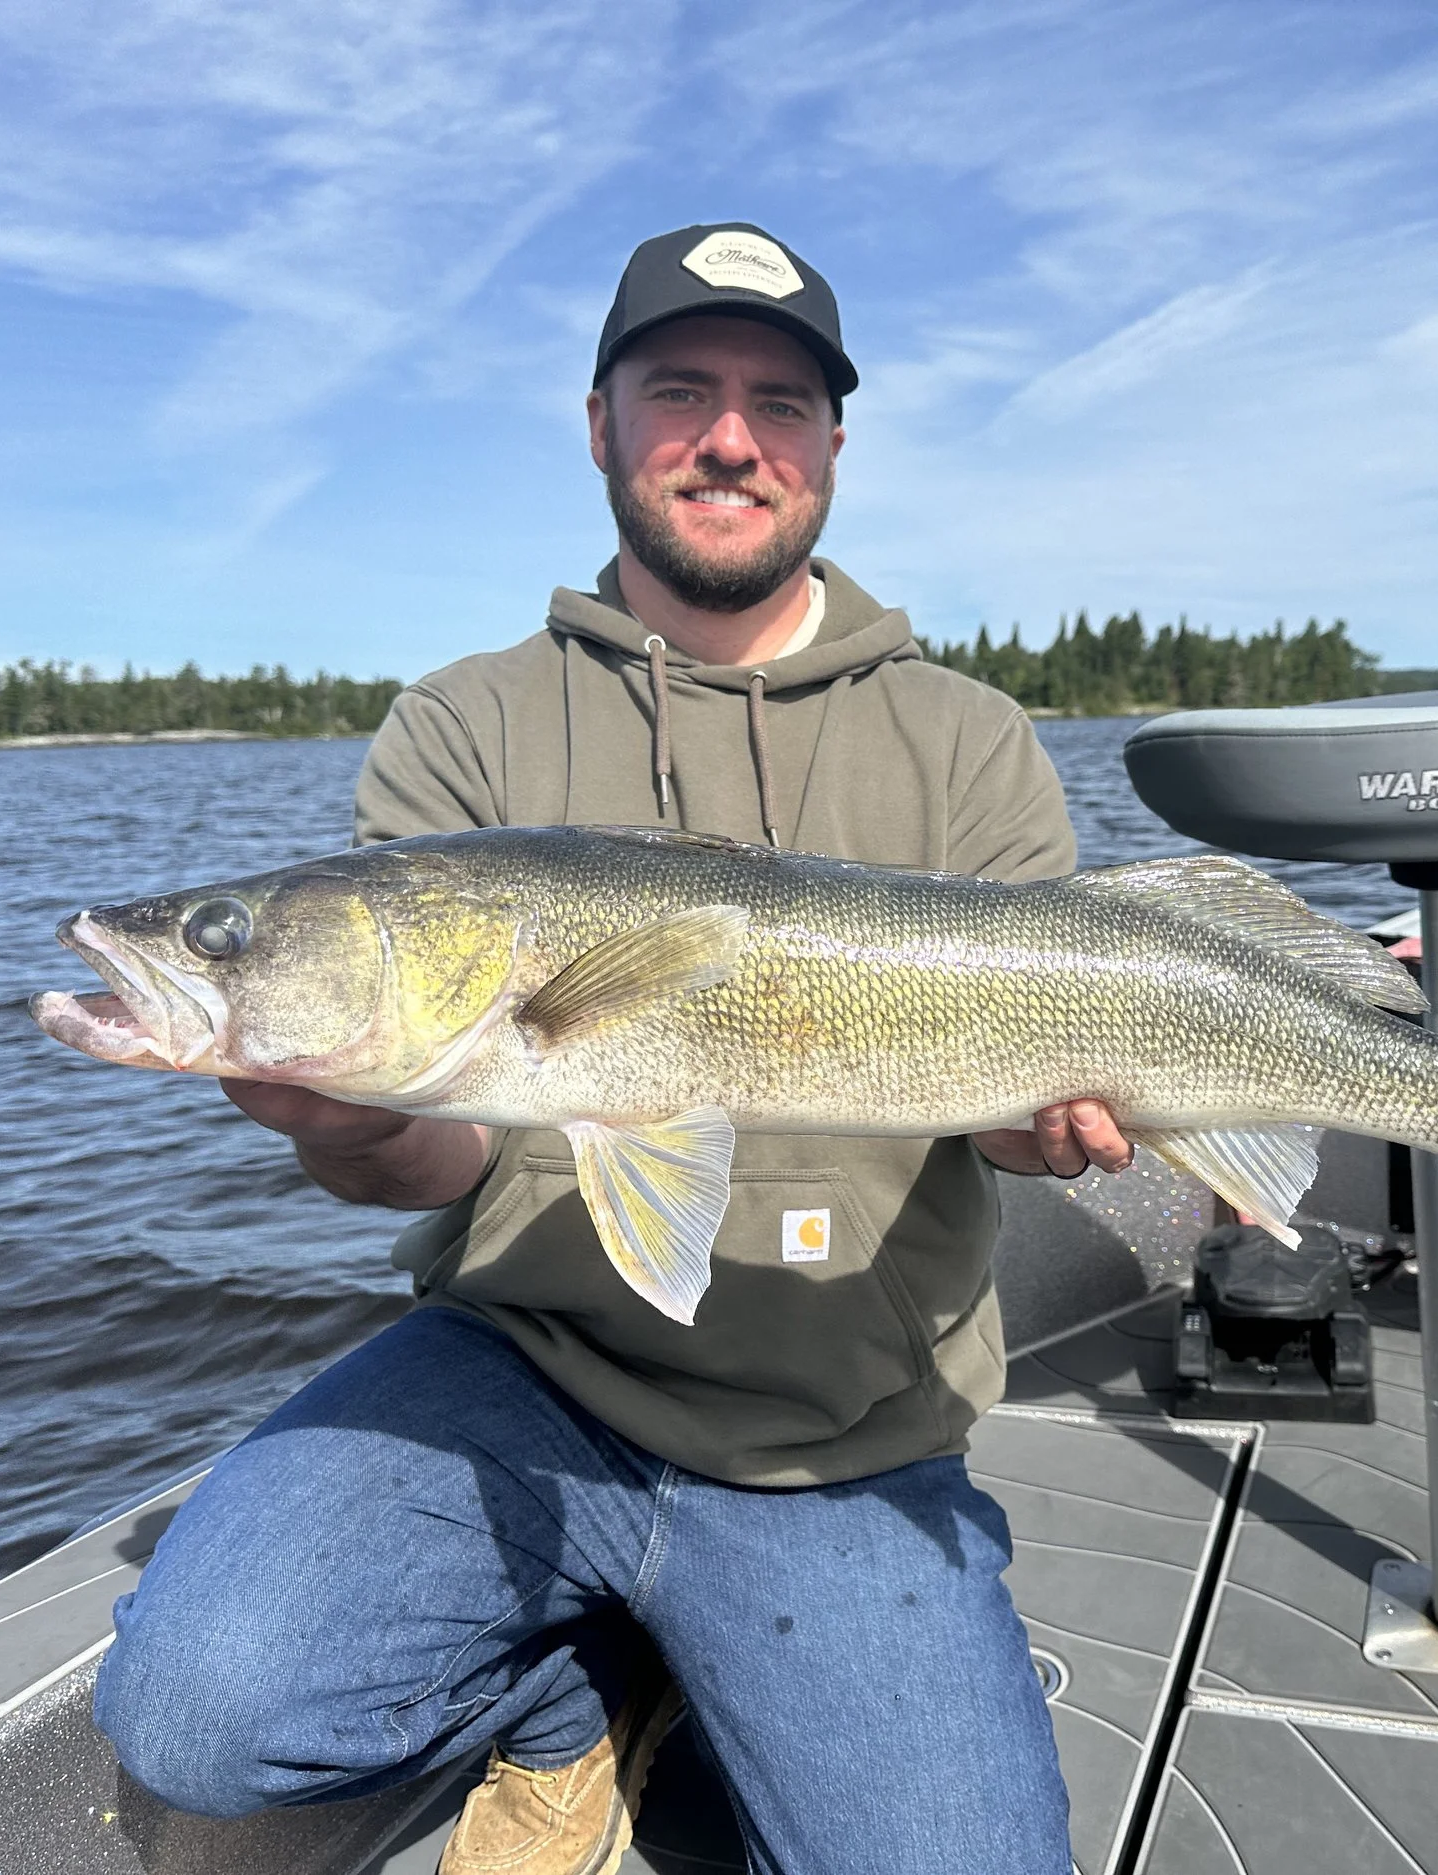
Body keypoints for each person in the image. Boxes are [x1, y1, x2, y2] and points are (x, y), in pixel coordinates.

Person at [92, 223, 1132, 1875]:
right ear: (598, 423)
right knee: (202, 1710)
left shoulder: (969, 738)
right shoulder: (466, 725)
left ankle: (661, 1669)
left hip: (840, 1422)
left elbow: (1017, 1108)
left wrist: (1038, 1125)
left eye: (779, 403)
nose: (731, 437)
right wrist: (343, 1123)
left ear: (832, 447)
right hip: (527, 1372)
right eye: (681, 391)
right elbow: (432, 1152)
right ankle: (578, 1699)